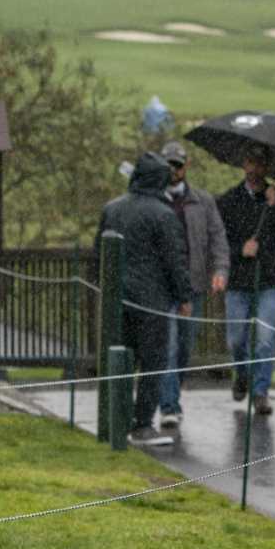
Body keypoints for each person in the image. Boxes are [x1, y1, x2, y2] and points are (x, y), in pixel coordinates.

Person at [97, 154, 192, 450]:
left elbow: (97, 252)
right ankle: (141, 425)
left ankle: (116, 420)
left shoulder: (111, 209)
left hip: (117, 299)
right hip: (152, 302)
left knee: (120, 358)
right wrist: (184, 296)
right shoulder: (163, 215)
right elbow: (175, 261)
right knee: (152, 363)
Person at [216, 143, 275, 417]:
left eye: (260, 164)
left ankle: (260, 392)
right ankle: (241, 375)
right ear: (244, 165)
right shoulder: (229, 200)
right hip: (238, 281)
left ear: (267, 167)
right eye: (250, 163)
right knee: (236, 339)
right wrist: (239, 250)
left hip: (268, 280)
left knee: (264, 339)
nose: (255, 169)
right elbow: (218, 241)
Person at [156, 141, 229, 432]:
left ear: (185, 167)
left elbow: (217, 238)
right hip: (162, 287)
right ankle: (169, 407)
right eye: (168, 165)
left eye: (177, 164)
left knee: (184, 346)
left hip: (193, 285)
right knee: (168, 346)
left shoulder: (202, 201)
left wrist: (220, 270)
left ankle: (176, 383)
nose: (173, 170)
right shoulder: (154, 200)